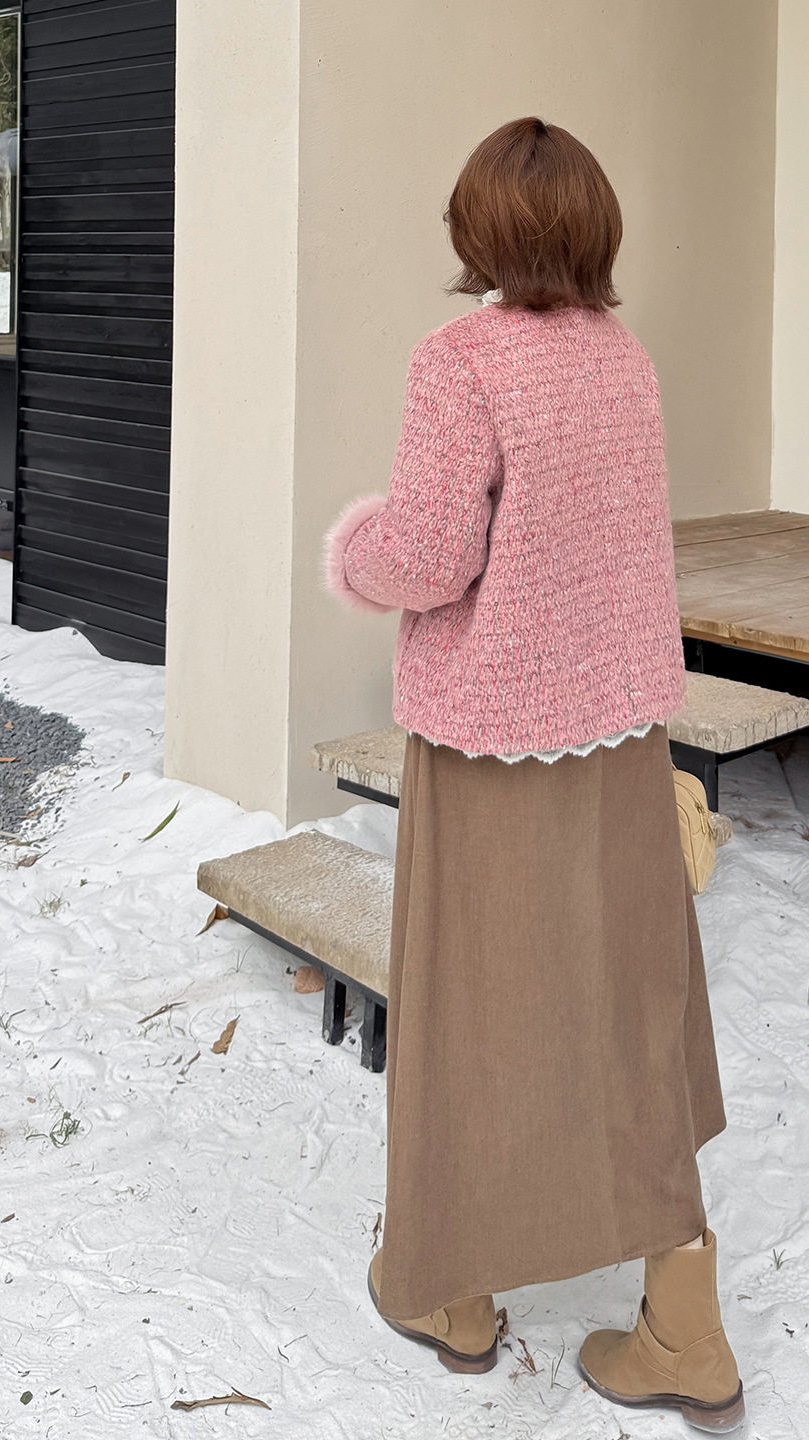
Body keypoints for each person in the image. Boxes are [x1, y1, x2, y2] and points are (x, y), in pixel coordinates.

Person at [322, 116, 744, 1434]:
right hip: (620, 735)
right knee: (630, 1005)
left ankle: (453, 1292)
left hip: (494, 737)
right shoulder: (626, 359)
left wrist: (352, 548)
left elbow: (428, 556)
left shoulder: (461, 362)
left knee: (473, 1007)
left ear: (478, 233)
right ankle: (685, 1320)